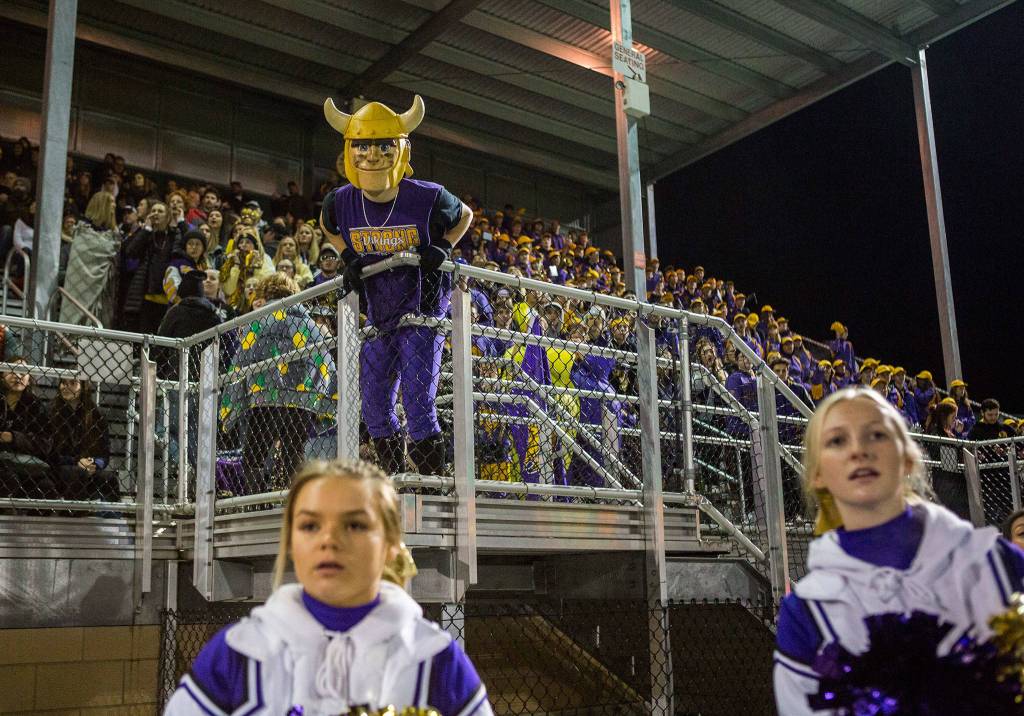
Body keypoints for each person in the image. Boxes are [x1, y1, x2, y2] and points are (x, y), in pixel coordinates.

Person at [163, 459, 493, 715]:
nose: (329, 540)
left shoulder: (434, 659)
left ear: (392, 544)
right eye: (309, 525)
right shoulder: (238, 653)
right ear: (291, 541)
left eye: (354, 524)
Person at [773, 388, 1024, 715]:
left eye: (876, 434)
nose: (858, 450)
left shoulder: (998, 564)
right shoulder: (808, 610)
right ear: (818, 474)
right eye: (837, 441)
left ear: (907, 458)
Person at [320, 95, 472, 476]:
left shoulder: (427, 196)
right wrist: (348, 257)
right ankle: (391, 478)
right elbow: (326, 226)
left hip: (421, 309)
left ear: (401, 148)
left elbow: (465, 215)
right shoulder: (341, 201)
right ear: (350, 151)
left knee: (418, 400)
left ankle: (430, 480)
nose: (373, 154)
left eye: (384, 144)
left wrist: (444, 246)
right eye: (364, 145)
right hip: (378, 314)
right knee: (372, 406)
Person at [220, 274, 335, 493]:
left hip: (266, 397)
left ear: (265, 292)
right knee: (294, 451)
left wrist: (232, 398)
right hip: (302, 399)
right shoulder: (309, 323)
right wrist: (325, 397)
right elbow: (324, 363)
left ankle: (257, 500)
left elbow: (241, 360)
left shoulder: (259, 319)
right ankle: (294, 499)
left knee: (255, 453)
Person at [48, 377, 117, 502]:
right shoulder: (50, 411)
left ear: (83, 387)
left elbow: (104, 455)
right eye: (63, 383)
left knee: (109, 478)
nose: (66, 387)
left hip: (86, 467)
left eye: (73, 383)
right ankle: (74, 513)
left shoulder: (96, 414)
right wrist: (76, 462)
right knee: (76, 473)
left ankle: (111, 516)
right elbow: (48, 453)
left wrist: (94, 463)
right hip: (59, 467)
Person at [59, 190, 121, 328]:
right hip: (80, 290)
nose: (114, 206)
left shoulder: (114, 235)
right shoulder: (82, 232)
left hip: (104, 294)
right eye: (110, 202)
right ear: (101, 204)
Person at [0, 358, 52, 498]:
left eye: (23, 372)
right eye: (12, 371)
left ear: (29, 379)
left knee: (46, 487)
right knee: (9, 479)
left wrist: (12, 437)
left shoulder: (35, 405)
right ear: (2, 375)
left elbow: (44, 444)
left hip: (24, 463)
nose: (18, 376)